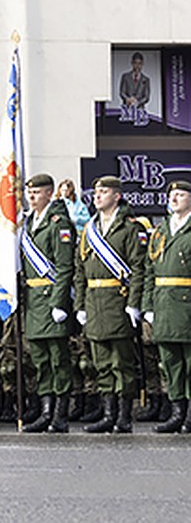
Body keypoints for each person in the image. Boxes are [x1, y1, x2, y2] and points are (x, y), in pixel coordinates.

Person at [74, 175, 148, 433]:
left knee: (121, 362)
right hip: (94, 302)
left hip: (118, 300)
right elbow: (79, 270)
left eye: (103, 191)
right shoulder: (89, 229)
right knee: (101, 361)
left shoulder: (130, 228)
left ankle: (124, 415)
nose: (97, 195)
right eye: (96, 191)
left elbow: (139, 267)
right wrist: (80, 305)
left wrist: (134, 302)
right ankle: (108, 413)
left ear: (117, 195)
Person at [19, 172, 76, 432]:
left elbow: (65, 267)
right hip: (33, 299)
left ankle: (60, 414)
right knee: (40, 359)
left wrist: (59, 302)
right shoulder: (27, 223)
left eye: (37, 192)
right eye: (29, 193)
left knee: (57, 359)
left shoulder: (58, 223)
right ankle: (45, 410)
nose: (32, 196)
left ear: (50, 194)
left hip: (50, 296)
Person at [143, 179, 191, 433]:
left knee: (190, 362)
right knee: (170, 362)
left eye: (181, 195)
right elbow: (150, 269)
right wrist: (147, 304)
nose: (174, 199)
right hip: (163, 304)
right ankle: (177, 412)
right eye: (172, 196)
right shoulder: (161, 230)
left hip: (186, 304)